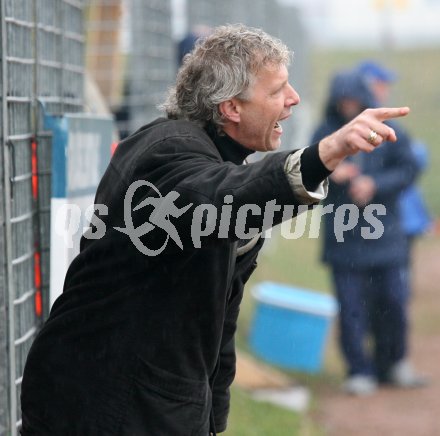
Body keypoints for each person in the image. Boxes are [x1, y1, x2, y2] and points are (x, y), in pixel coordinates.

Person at [21, 24, 410, 435]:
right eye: (277, 90)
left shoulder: (214, 161)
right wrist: (326, 154)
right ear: (231, 108)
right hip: (99, 405)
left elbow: (216, 317)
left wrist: (212, 419)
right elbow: (224, 199)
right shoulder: (167, 152)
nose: (293, 99)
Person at [312, 68, 425, 396]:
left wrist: (375, 184)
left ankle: (394, 364)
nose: (348, 106)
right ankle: (359, 370)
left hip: (386, 236)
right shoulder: (325, 131)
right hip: (343, 239)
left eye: (354, 100)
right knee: (351, 308)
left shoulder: (389, 128)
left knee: (393, 301)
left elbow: (408, 168)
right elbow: (303, 174)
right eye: (343, 101)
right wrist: (330, 170)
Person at [357, 60, 432, 255]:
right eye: (380, 85)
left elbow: (413, 163)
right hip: (360, 224)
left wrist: (376, 183)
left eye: (386, 86)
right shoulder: (343, 127)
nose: (385, 91)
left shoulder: (391, 128)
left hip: (398, 220)